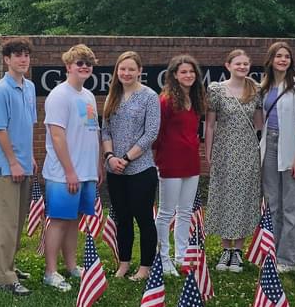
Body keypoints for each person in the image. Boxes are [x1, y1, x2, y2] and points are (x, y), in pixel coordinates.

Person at [42, 44, 101, 291]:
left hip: (85, 172)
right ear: (68, 67)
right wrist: (69, 171)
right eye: (79, 63)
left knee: (74, 220)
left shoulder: (87, 96)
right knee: (58, 220)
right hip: (63, 173)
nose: (84, 66)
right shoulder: (59, 95)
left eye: (88, 63)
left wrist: (97, 166)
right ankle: (50, 271)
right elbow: (57, 136)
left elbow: (92, 133)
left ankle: (71, 265)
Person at [101, 51, 160, 281]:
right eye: (122, 69)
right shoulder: (112, 96)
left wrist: (126, 158)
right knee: (122, 218)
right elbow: (105, 130)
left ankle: (145, 267)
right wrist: (110, 157)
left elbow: (151, 133)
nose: (126, 73)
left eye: (131, 69)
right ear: (117, 71)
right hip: (114, 169)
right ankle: (124, 263)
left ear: (139, 71)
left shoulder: (149, 96)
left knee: (143, 218)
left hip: (140, 168)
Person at [205, 48, 263, 273]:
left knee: (244, 196)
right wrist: (208, 153)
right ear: (228, 65)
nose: (241, 67)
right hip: (224, 150)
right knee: (223, 195)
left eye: (245, 64)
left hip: (248, 151)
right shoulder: (216, 90)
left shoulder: (256, 90)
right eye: (237, 63)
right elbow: (210, 124)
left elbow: (260, 124)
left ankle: (238, 249)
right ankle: (224, 248)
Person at [0, 37, 37, 296]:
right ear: (6, 59)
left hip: (23, 164)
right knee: (7, 223)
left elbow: (28, 125)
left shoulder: (28, 87)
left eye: (26, 55)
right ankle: (3, 278)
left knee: (17, 222)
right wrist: (14, 162)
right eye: (17, 55)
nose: (23, 59)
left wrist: (29, 158)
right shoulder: (1, 90)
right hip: (7, 168)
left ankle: (10, 266)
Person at [259, 41, 295, 273]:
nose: (282, 60)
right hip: (268, 144)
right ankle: (273, 252)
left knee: (290, 205)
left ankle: (289, 258)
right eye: (278, 56)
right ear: (271, 60)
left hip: (290, 146)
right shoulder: (265, 86)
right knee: (272, 203)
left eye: (286, 57)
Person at [153, 54, 206, 275]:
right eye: (183, 72)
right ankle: (163, 258)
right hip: (170, 162)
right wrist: (158, 160)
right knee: (166, 212)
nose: (188, 75)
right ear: (174, 75)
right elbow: (156, 133)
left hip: (191, 162)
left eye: (191, 71)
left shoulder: (196, 99)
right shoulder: (165, 101)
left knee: (185, 211)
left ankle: (181, 256)